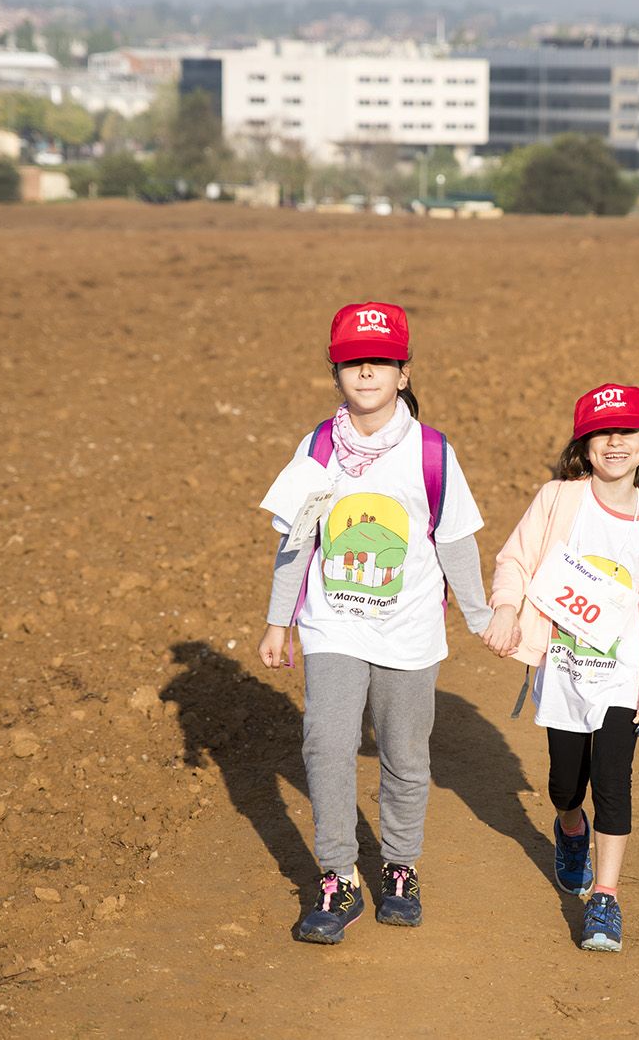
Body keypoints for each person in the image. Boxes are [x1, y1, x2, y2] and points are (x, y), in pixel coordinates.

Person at [257, 301, 492, 944]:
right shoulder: (318, 447)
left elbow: (456, 542)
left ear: (404, 373)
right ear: (335, 373)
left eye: (380, 362)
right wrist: (279, 621)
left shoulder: (433, 452)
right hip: (332, 623)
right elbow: (297, 540)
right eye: (352, 362)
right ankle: (338, 878)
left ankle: (398, 867)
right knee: (326, 744)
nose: (365, 373)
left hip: (411, 627)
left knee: (404, 753)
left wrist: (480, 614)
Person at [482, 384, 639, 953]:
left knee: (614, 784)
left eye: (628, 432)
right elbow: (516, 561)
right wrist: (506, 609)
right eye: (603, 433)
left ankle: (605, 896)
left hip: (624, 676)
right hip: (565, 670)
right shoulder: (558, 500)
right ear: (584, 445)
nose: (615, 442)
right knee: (564, 785)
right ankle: (569, 827)